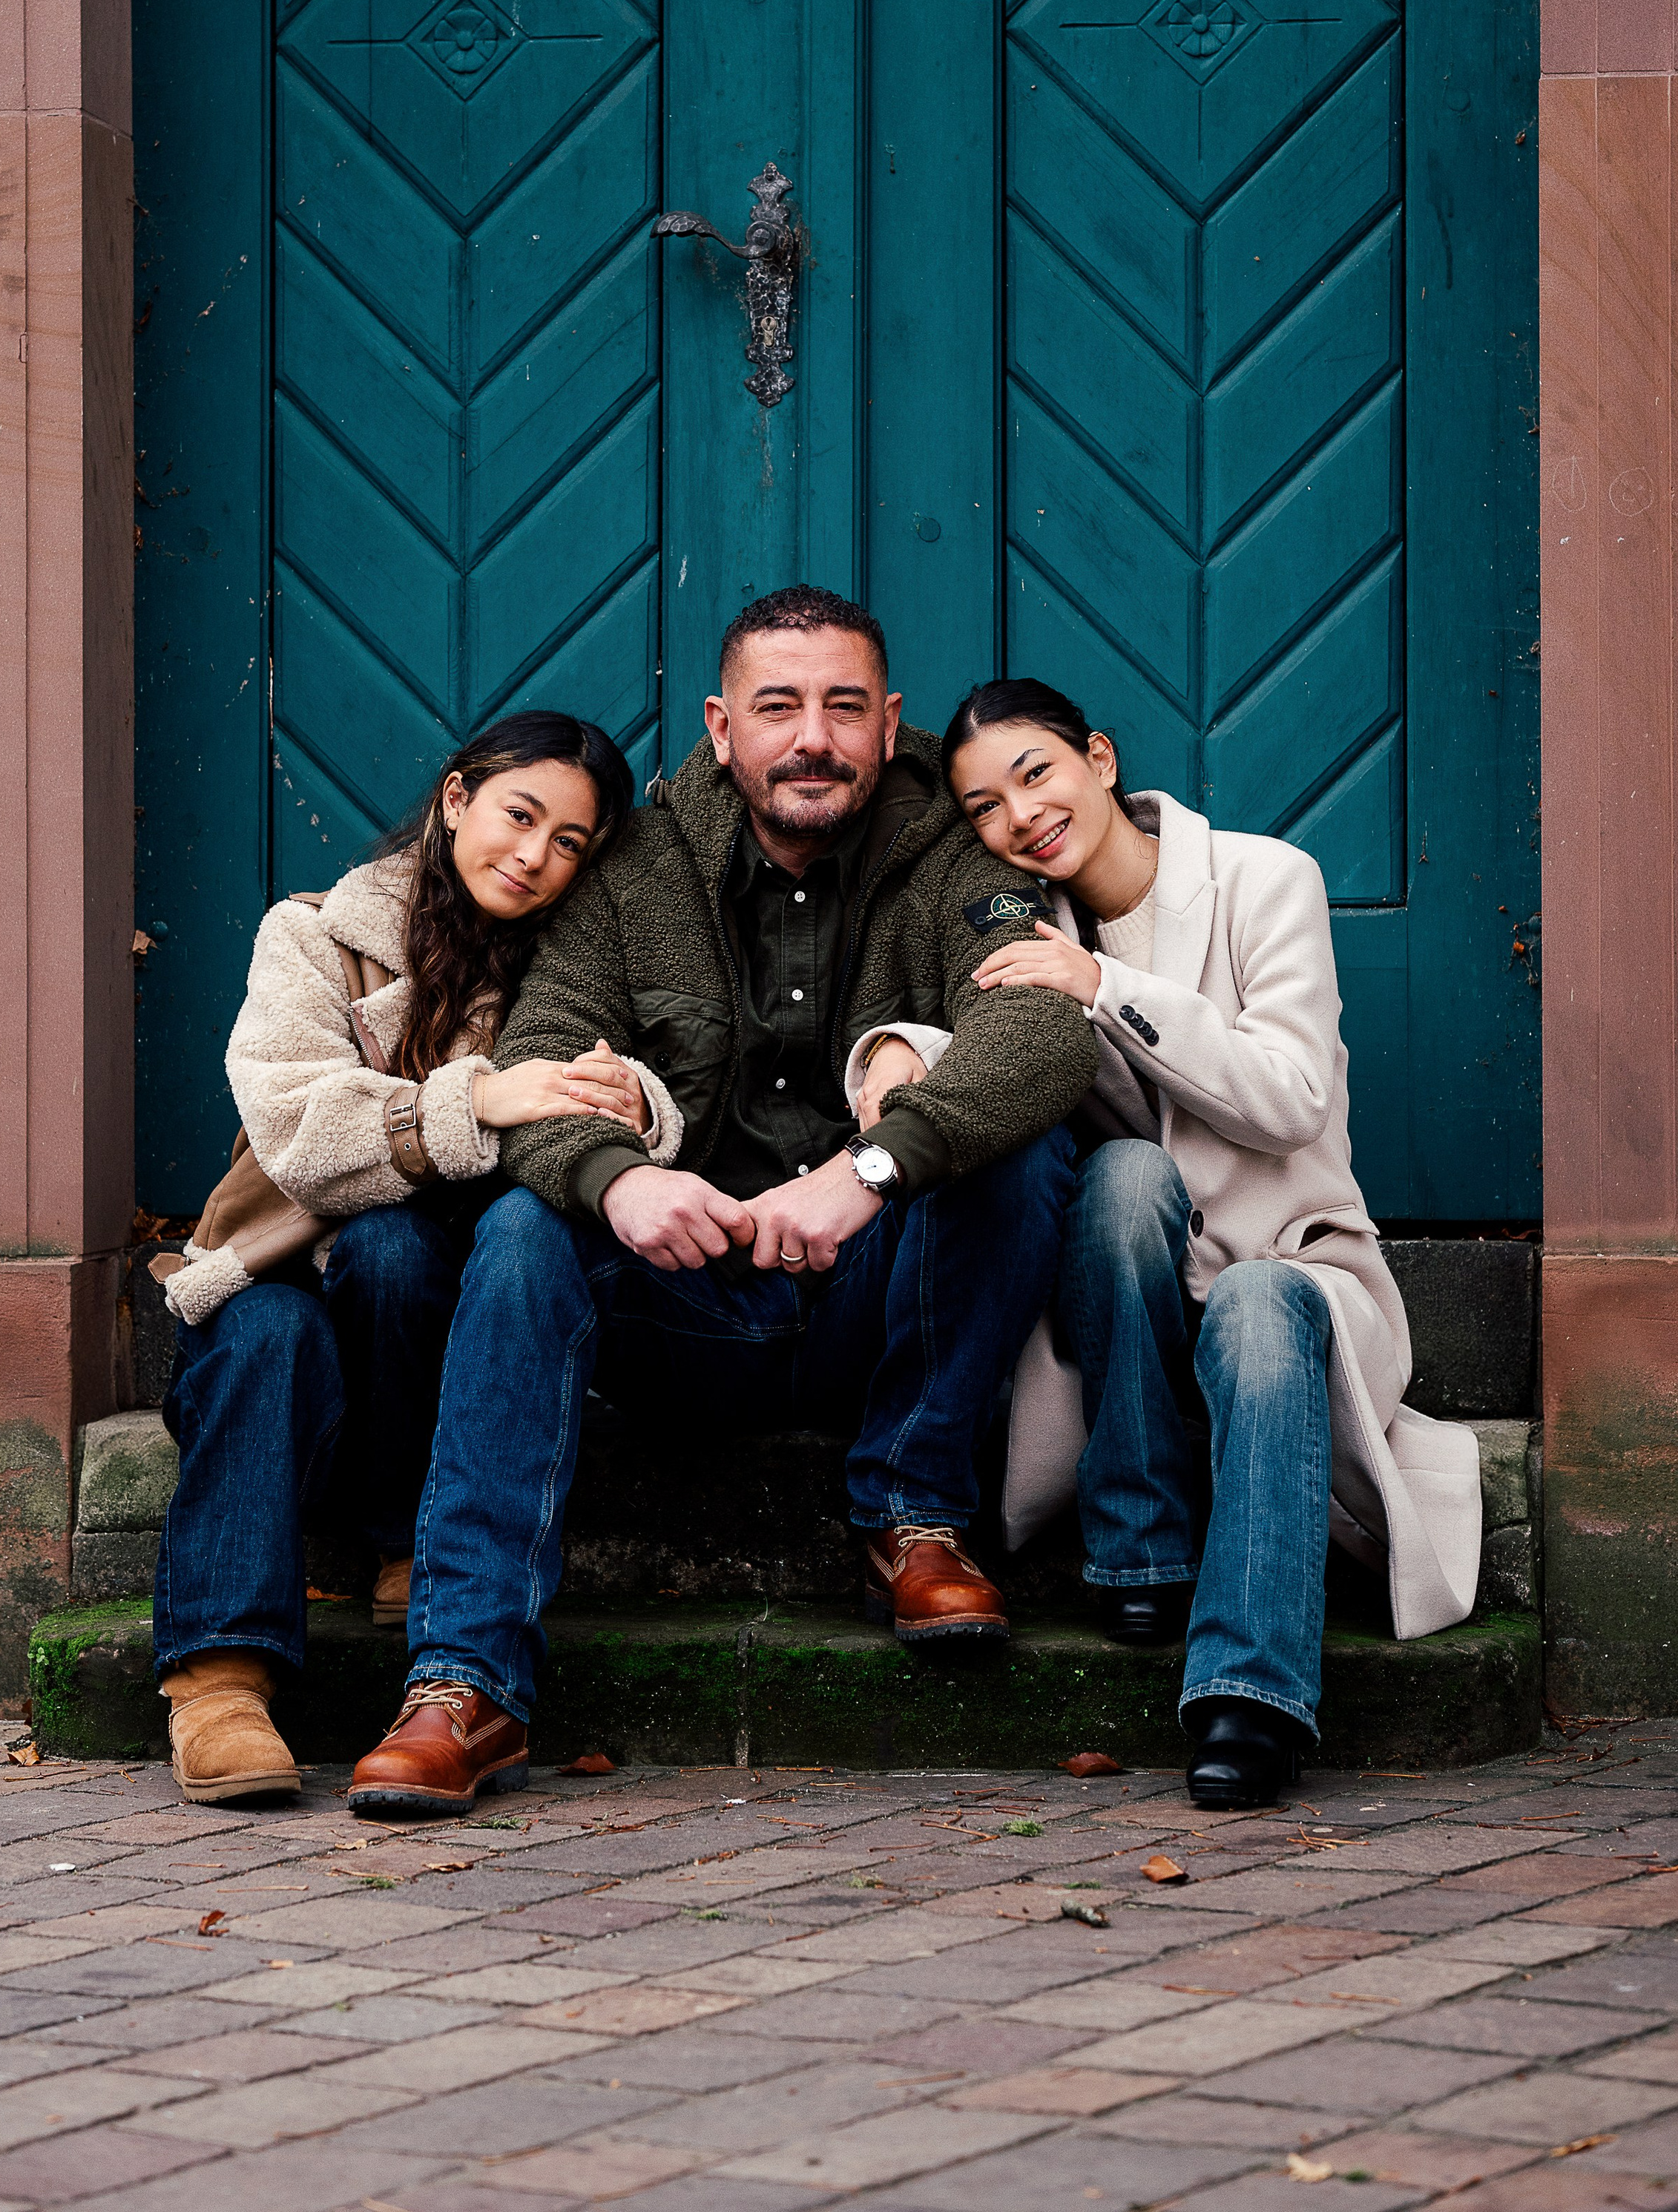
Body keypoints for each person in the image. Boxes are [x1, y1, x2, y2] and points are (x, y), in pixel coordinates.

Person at [344, 588, 1098, 1817]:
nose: (815, 737)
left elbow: (1041, 1034)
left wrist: (870, 1172)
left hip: (875, 1286)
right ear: (721, 725)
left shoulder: (957, 847)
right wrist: (619, 1177)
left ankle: (913, 1516)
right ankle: (465, 1681)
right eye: (779, 707)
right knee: (528, 1228)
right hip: (683, 1303)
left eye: (846, 706)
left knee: (1024, 1148)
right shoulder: (635, 858)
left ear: (888, 717)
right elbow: (541, 1053)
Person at [859, 677, 1482, 1811]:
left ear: (1098, 756)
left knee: (1254, 1297)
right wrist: (897, 1053)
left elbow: (1291, 1097)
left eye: (1036, 772)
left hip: (1291, 1281)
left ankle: (1252, 1692)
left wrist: (1110, 986)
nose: (1020, 817)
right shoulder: (1027, 925)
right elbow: (979, 1034)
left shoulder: (1261, 877)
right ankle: (1140, 1548)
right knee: (1122, 1175)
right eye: (985, 806)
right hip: (1130, 1304)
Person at [152, 711, 682, 1806]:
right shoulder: (314, 933)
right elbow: (297, 1120)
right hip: (287, 1290)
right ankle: (218, 1683)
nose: (535, 855)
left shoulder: (571, 963)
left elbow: (625, 1093)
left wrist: (640, 1105)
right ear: (455, 799)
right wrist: (482, 1096)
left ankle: (412, 1545)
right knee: (273, 1320)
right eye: (518, 815)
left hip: (436, 1346)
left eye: (571, 842)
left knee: (404, 1251)